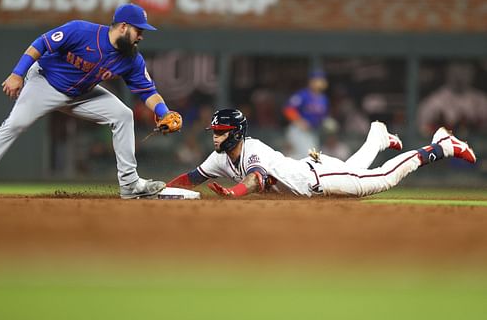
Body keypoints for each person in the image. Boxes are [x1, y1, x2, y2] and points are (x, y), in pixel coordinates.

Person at [0, 3, 182, 199]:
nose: (141, 36)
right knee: (15, 124)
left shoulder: (132, 59)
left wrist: (164, 112)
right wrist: (17, 73)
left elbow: (148, 92)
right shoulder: (81, 30)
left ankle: (130, 184)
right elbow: (41, 43)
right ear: (123, 26)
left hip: (81, 94)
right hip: (45, 82)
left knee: (123, 115)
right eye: (138, 30)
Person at [167, 109, 475, 198]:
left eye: (220, 131)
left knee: (380, 179)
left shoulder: (254, 148)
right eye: (215, 131)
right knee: (355, 171)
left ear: (235, 133)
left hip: (318, 177)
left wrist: (233, 193)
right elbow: (192, 177)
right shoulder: (219, 157)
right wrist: (163, 190)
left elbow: (255, 178)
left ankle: (441, 146)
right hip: (309, 169)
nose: (216, 136)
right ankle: (378, 137)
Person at [283, 69, 330, 159]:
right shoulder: (303, 95)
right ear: (311, 82)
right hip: (298, 130)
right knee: (310, 157)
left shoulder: (324, 99)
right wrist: (299, 121)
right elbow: (288, 109)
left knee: (308, 158)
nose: (321, 82)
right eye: (318, 80)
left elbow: (322, 117)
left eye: (322, 80)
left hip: (312, 132)